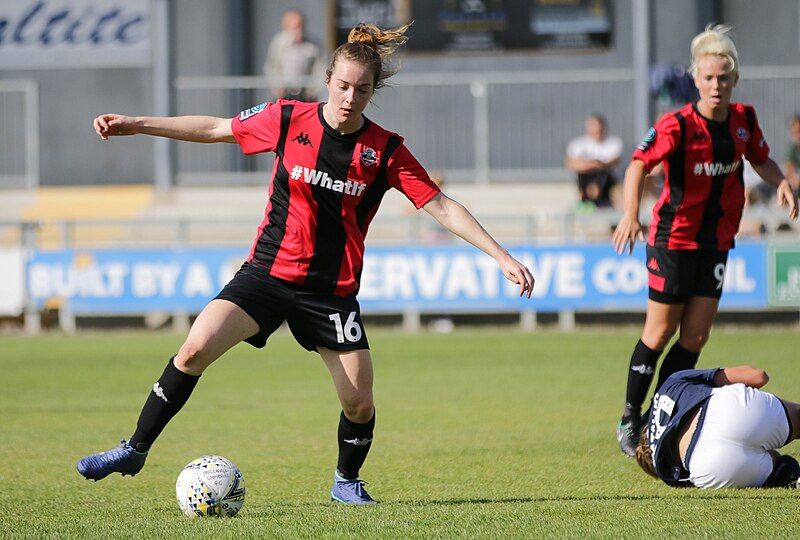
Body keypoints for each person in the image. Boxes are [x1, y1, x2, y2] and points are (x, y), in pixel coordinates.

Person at [76, 22, 534, 505]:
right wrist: (137, 123)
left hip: (330, 292)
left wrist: (501, 255)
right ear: (328, 81)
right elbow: (214, 128)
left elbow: (440, 205)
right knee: (193, 350)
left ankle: (346, 483)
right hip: (266, 276)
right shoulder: (287, 117)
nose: (349, 98)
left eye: (361, 89)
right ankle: (134, 448)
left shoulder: (385, 150)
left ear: (372, 92)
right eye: (342, 86)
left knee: (359, 402)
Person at [612, 25, 798, 457]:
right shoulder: (677, 125)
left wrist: (782, 182)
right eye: (709, 78)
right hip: (672, 240)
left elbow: (761, 158)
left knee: (695, 337)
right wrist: (629, 214)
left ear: (734, 80)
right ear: (696, 79)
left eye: (724, 78)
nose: (716, 85)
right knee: (659, 333)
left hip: (716, 241)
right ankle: (629, 416)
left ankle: (663, 410)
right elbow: (638, 165)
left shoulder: (744, 120)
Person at [635, 365, 800, 489]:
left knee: (783, 471)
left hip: (707, 465)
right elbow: (758, 377)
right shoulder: (670, 384)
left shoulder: (665, 469)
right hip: (722, 410)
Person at [564, 114, 623, 210]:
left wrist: (597, 164)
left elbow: (613, 162)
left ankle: (600, 200)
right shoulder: (578, 144)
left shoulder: (613, 143)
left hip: (608, 183)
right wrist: (589, 165)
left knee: (602, 173)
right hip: (584, 180)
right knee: (585, 173)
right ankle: (588, 201)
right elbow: (571, 162)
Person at [263, 10, 322, 102]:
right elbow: (272, 66)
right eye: (294, 27)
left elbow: (320, 68)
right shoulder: (278, 43)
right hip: (284, 93)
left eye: (300, 26)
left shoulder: (313, 45)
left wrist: (314, 89)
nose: (298, 30)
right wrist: (276, 86)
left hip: (305, 94)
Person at [785, 114, 800, 194]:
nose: (798, 135)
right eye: (794, 133)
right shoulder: (793, 149)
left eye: (799, 131)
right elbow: (789, 169)